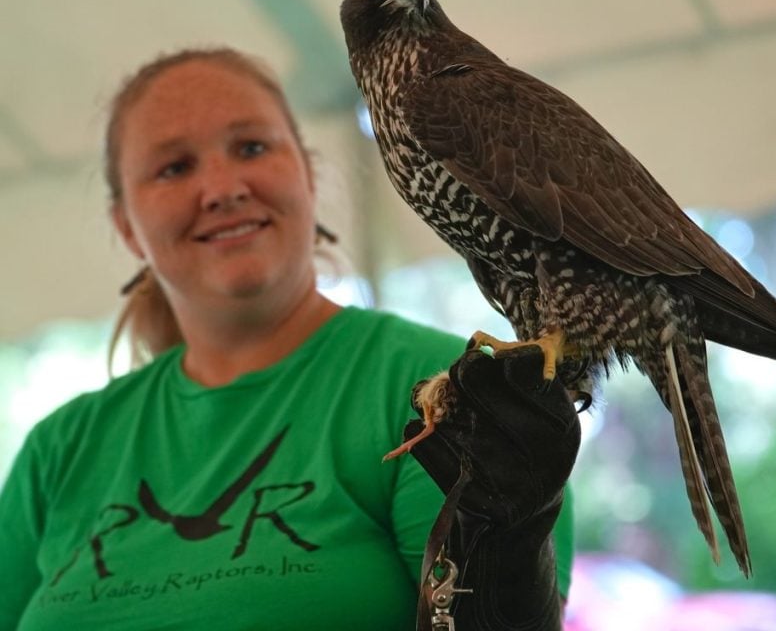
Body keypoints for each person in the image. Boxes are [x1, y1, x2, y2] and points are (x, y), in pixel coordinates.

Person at [0, 48, 576, 630]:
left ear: (306, 172)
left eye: (251, 147)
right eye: (174, 167)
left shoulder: (441, 388)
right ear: (127, 227)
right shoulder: (60, 450)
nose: (223, 188)